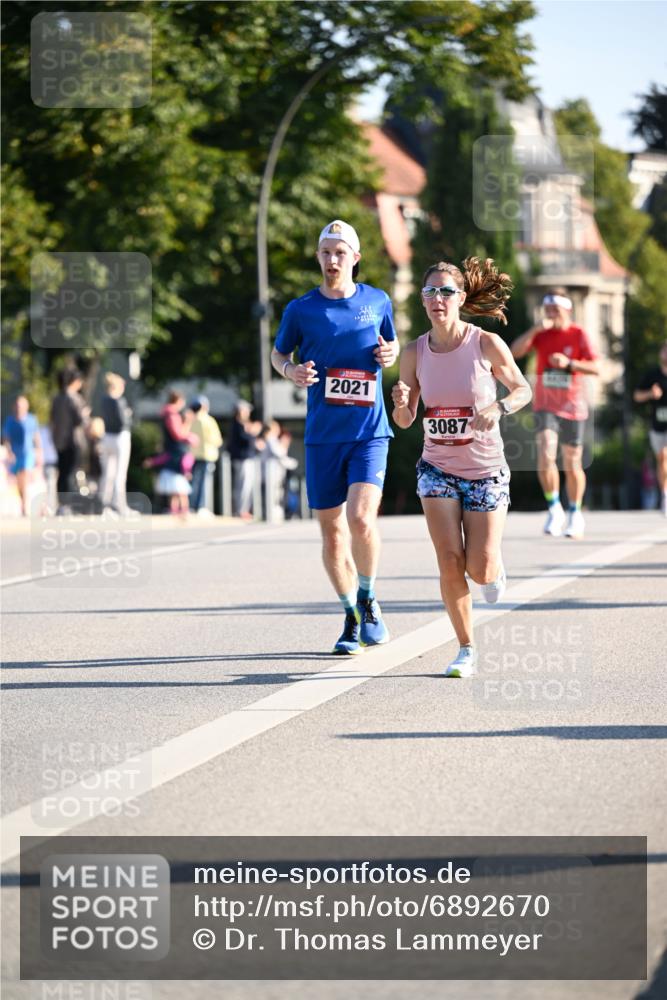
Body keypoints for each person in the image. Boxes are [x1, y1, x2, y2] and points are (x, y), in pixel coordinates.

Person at [391, 258, 531, 678]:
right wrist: (400, 404)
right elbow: (406, 420)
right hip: (437, 467)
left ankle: (493, 568)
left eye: (446, 292)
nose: (438, 299)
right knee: (449, 560)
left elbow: (523, 388)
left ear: (462, 298)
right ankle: (466, 647)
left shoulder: (485, 343)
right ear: (422, 299)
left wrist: (499, 407)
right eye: (431, 292)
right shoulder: (414, 352)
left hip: (485, 468)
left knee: (479, 568)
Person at [271, 219, 399, 654]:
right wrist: (291, 370)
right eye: (325, 253)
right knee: (331, 534)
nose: (332, 260)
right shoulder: (301, 309)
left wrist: (391, 353)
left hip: (368, 432)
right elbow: (278, 353)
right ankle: (350, 615)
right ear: (318, 257)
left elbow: (392, 345)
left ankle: (368, 598)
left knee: (361, 519)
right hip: (323, 435)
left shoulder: (378, 301)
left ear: (355, 259)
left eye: (340, 253)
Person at [511, 291, 599, 538]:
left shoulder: (578, 334)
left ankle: (575, 512)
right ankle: (553, 507)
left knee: (572, 463)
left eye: (554, 310)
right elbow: (515, 351)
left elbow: (596, 367)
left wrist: (569, 364)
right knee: (546, 453)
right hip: (546, 405)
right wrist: (535, 329)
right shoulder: (542, 335)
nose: (550, 315)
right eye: (547, 310)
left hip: (573, 407)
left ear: (566, 310)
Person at [144, 390, 198, 517]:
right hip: (176, 454)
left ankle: (176, 509)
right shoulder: (172, 415)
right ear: (178, 401)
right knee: (179, 487)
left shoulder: (168, 414)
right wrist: (189, 434)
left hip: (173, 452)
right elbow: (178, 434)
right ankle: (182, 509)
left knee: (176, 488)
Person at [634, 341, 667, 516]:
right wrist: (650, 394)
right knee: (661, 459)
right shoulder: (653, 375)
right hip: (657, 425)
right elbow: (637, 395)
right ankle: (665, 495)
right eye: (665, 350)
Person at [50, 368, 89, 512]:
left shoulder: (57, 398)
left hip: (59, 441)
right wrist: (86, 413)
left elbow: (52, 420)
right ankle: (69, 504)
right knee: (71, 473)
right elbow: (80, 420)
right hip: (73, 441)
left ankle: (61, 503)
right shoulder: (74, 398)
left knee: (62, 472)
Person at [1, 395, 42, 515]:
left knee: (24, 476)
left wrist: (39, 451)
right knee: (18, 480)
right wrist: (9, 452)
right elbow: (6, 438)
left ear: (26, 407)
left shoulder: (31, 419)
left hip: (28, 453)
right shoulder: (9, 421)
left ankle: (24, 504)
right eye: (18, 406)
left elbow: (36, 437)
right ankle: (23, 500)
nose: (19, 408)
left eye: (22, 406)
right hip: (15, 453)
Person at [99, 372, 133, 514]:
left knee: (108, 473)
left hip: (107, 437)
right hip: (120, 437)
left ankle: (104, 504)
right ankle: (119, 504)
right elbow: (123, 422)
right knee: (120, 473)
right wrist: (128, 415)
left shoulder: (104, 400)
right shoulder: (119, 401)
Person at [228, 400, 262, 521]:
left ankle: (244, 509)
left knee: (247, 485)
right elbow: (245, 439)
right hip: (243, 459)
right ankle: (241, 510)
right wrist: (254, 432)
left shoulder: (242, 424)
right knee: (243, 485)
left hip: (247, 458)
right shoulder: (237, 424)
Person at [189, 395, 223, 514]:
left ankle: (192, 506)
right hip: (207, 455)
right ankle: (201, 507)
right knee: (204, 482)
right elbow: (217, 440)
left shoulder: (191, 420)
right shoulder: (209, 420)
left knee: (194, 482)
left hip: (193, 455)